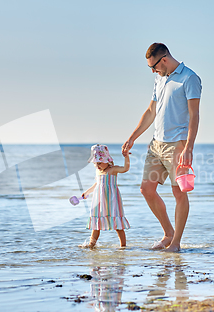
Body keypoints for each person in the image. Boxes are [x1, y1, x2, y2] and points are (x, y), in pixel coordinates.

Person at [122, 43, 202, 252]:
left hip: (177, 144)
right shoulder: (160, 78)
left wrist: (189, 147)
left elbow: (194, 115)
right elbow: (150, 111)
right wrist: (133, 137)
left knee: (179, 194)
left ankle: (175, 243)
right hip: (156, 144)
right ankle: (168, 233)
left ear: (164, 59)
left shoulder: (189, 78)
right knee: (146, 189)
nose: (152, 71)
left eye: (154, 67)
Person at [80, 144, 131, 248]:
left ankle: (123, 246)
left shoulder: (113, 170)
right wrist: (87, 192)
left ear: (107, 160)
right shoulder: (98, 171)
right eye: (95, 163)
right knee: (96, 224)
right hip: (99, 200)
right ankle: (91, 244)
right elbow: (96, 184)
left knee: (118, 225)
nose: (97, 165)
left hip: (112, 200)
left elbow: (125, 168)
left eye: (100, 162)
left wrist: (126, 157)